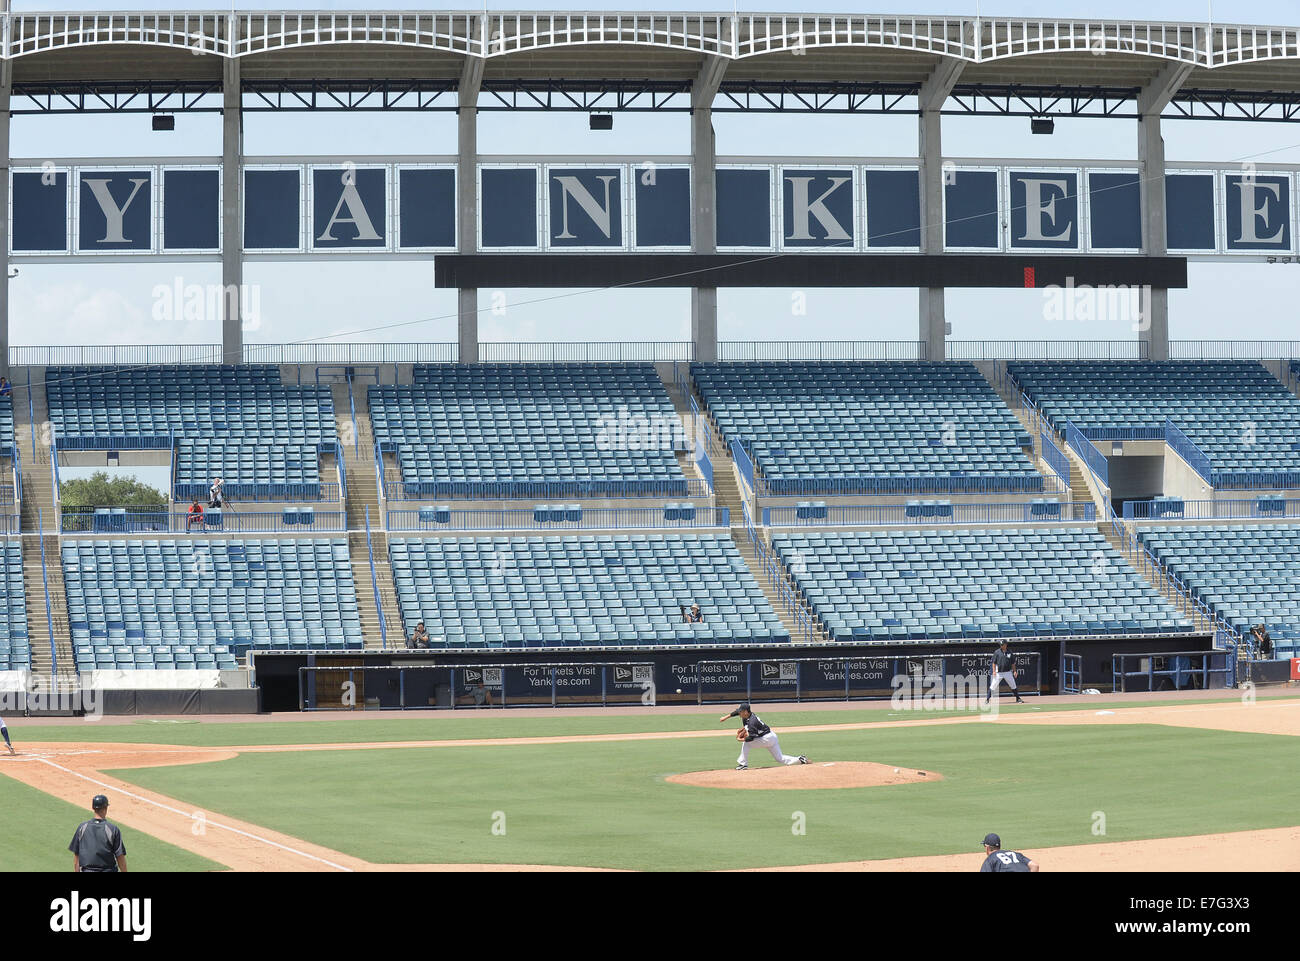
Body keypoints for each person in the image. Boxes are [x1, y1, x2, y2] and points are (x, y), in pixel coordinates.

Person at [719, 702, 807, 770]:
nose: (739, 713)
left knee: (747, 743)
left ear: (745, 712)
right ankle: (800, 759)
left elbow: (751, 738)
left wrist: (740, 739)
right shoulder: (747, 714)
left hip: (766, 739)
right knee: (780, 759)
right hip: (771, 736)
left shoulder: (752, 722)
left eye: (741, 711)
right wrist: (725, 717)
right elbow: (735, 713)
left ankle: (743, 764)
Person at [69, 795, 128, 873]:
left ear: (93, 808)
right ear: (105, 808)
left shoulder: (82, 827)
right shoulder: (112, 829)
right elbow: (120, 856)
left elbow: (77, 856)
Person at [987, 639, 1024, 703]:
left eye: (1003, 645)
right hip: (999, 672)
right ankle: (987, 699)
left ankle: (1018, 698)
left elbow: (1013, 663)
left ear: (1006, 645)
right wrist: (994, 671)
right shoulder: (997, 652)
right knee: (993, 685)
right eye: (1001, 645)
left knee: (1013, 685)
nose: (1001, 646)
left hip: (1008, 672)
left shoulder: (1009, 652)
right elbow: (994, 662)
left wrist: (1014, 671)